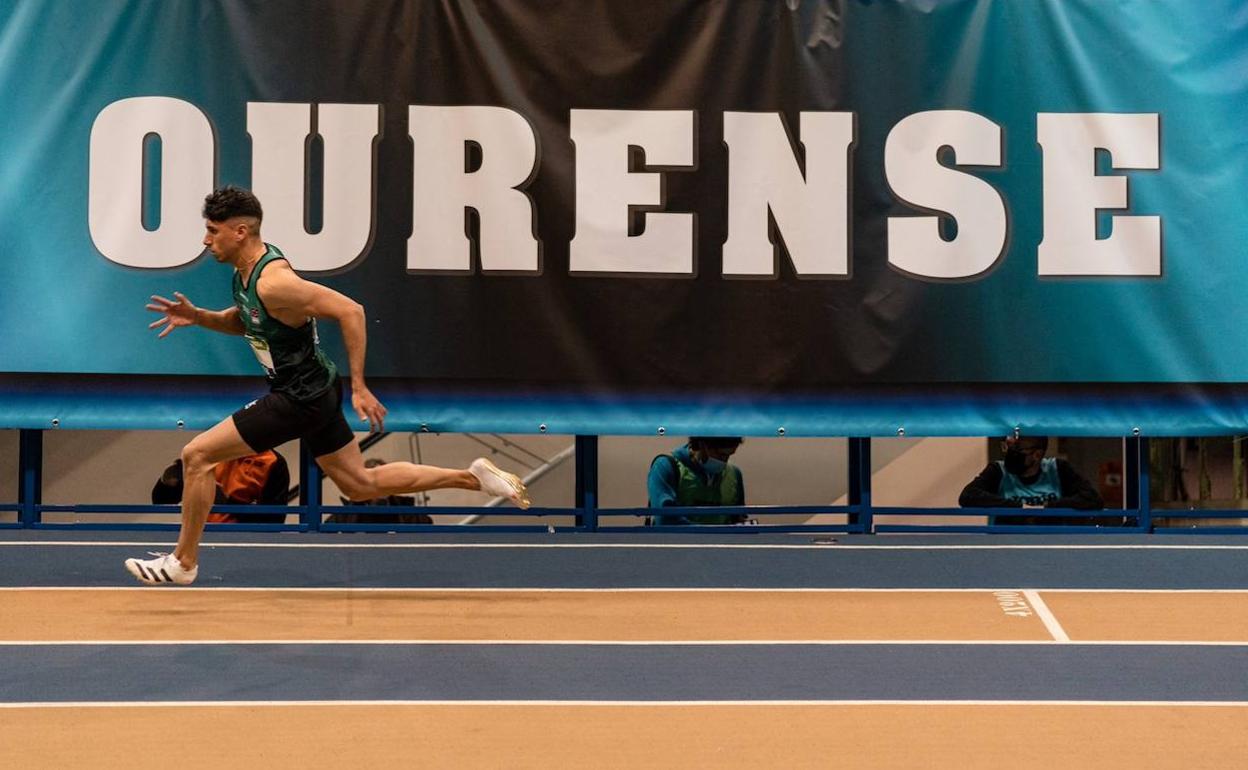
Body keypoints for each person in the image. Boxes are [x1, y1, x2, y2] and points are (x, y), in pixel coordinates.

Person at [125, 186, 529, 585]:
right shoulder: (246, 274)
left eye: (213, 230)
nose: (206, 239)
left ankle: (183, 562)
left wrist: (360, 387)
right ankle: (473, 478)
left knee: (197, 456)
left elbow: (351, 311)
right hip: (314, 391)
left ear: (241, 232)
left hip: (298, 397)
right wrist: (199, 317)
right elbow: (246, 320)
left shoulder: (274, 282)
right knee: (359, 485)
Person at [959, 436, 1108, 524]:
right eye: (1009, 448)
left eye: (1017, 450)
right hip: (1006, 544)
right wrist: (1020, 508)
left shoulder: (1057, 468)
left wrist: (1048, 507)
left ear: (1037, 455)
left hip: (1053, 544)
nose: (1011, 454)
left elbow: (1093, 498)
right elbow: (968, 496)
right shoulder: (998, 470)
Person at [152, 450, 290, 524]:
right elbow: (161, 501)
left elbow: (274, 521)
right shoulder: (208, 452)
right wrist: (166, 482)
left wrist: (226, 502)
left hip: (243, 539)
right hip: (199, 535)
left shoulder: (274, 463)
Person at [647, 436, 749, 525]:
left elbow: (737, 519)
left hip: (720, 546)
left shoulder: (734, 474)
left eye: (729, 455)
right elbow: (666, 519)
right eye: (721, 455)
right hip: (677, 545)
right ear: (702, 445)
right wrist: (712, 534)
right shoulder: (665, 467)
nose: (724, 461)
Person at [327, 457, 433, 526]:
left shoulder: (407, 511)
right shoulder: (345, 515)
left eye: (387, 478)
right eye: (378, 480)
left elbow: (428, 527)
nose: (383, 484)